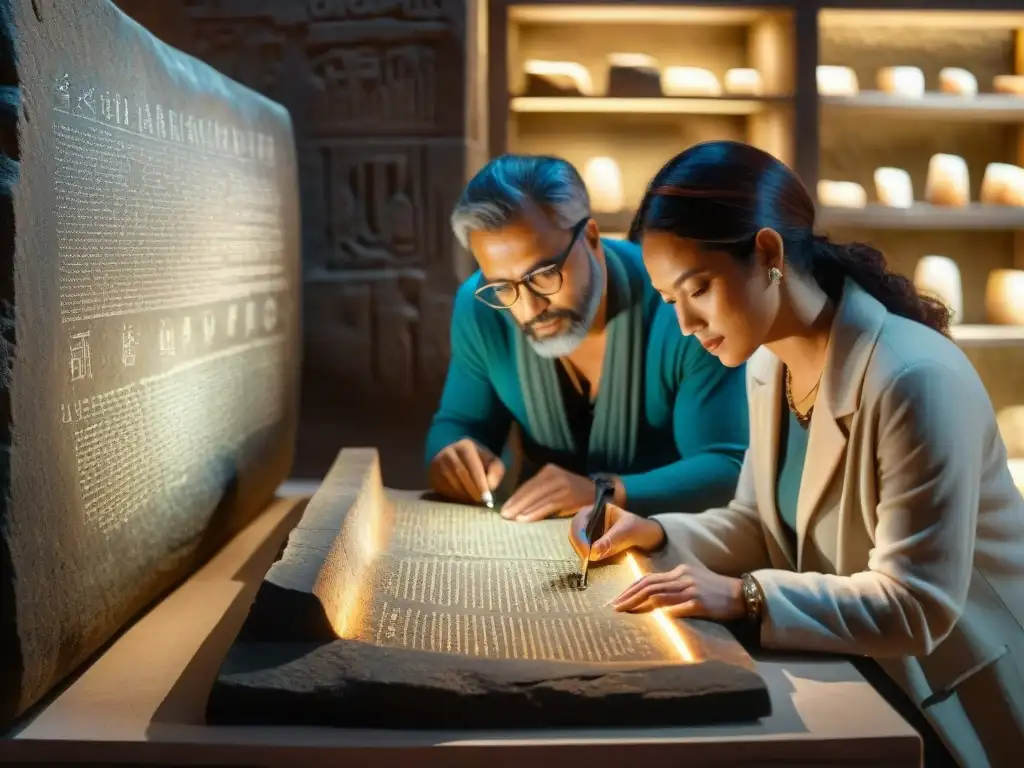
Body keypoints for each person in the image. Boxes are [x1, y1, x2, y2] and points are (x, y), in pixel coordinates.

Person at [570, 141, 1024, 767]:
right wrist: (650, 533)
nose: (685, 324)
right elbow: (760, 524)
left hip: (962, 702)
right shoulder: (767, 364)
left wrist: (743, 597)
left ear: (767, 253)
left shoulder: (913, 377)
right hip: (863, 679)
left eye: (697, 288)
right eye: (670, 301)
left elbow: (916, 605)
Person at [426, 153, 749, 520]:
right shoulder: (481, 307)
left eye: (544, 274)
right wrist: (450, 454)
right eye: (502, 286)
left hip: (672, 545)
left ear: (592, 239)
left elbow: (727, 466)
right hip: (533, 541)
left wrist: (607, 492)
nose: (529, 309)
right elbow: (460, 421)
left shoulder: (677, 305)